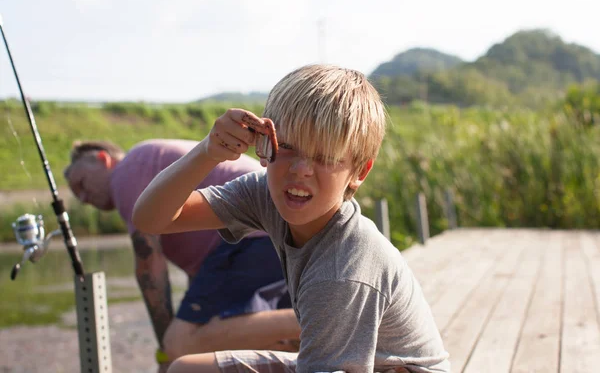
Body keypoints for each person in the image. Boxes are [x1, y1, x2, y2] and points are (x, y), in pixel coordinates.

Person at [132, 65, 450, 373]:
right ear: (265, 144)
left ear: (359, 172)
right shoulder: (266, 194)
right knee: (186, 369)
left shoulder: (341, 271)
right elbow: (152, 219)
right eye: (286, 146)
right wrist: (208, 151)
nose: (300, 170)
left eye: (324, 156)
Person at [63, 139, 301, 373]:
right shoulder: (150, 161)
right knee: (275, 344)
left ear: (104, 160)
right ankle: (311, 325)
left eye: (81, 184)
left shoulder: (126, 172)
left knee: (182, 347)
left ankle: (319, 320)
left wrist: (165, 351)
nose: (84, 199)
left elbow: (149, 266)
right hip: (280, 230)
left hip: (252, 233)